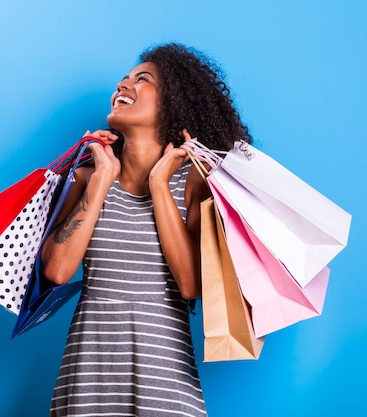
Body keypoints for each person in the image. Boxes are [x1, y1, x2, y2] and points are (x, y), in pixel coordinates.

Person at [41, 42, 252, 417]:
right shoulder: (88, 176)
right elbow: (57, 271)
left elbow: (190, 285)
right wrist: (103, 177)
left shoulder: (195, 182)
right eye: (123, 80)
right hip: (88, 382)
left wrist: (159, 184)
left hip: (165, 387)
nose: (124, 86)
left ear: (174, 102)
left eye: (142, 79)